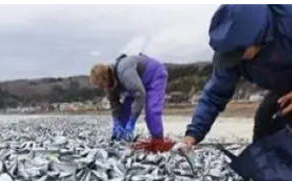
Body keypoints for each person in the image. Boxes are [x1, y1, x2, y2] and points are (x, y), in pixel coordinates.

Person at [176, 4, 292, 151]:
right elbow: (214, 94)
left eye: (241, 53)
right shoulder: (228, 53)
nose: (238, 59)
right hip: (281, 88)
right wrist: (191, 136)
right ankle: (267, 169)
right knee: (264, 120)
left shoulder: (287, 21)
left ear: (257, 37)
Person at [90, 53, 169, 143]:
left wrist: (132, 121)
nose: (101, 88)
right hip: (135, 85)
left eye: (101, 85)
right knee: (123, 115)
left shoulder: (124, 73)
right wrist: (117, 122)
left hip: (154, 75)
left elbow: (139, 94)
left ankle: (158, 140)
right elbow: (114, 103)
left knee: (152, 112)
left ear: (106, 77)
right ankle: (121, 139)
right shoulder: (110, 84)